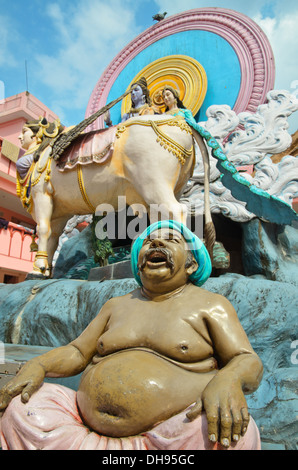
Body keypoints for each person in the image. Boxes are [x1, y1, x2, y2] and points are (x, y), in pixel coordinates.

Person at [0, 220, 263, 451]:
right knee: (22, 408)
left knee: (233, 433)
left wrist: (229, 377)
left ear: (192, 264)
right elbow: (78, 352)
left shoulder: (211, 305)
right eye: (148, 242)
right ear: (138, 263)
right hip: (82, 429)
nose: (156, 242)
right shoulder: (116, 305)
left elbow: (246, 360)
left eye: (170, 240)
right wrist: (39, 364)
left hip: (173, 436)